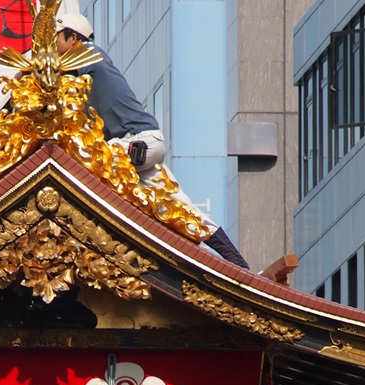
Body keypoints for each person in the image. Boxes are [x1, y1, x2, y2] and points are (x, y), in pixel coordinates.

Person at [54, 14, 248, 269]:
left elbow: (54, 79)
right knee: (181, 209)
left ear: (73, 37)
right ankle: (240, 265)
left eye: (55, 38)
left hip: (136, 143)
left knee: (90, 159)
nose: (52, 47)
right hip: (139, 147)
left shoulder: (88, 54)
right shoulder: (85, 66)